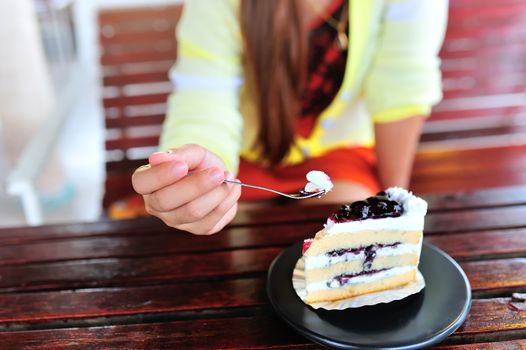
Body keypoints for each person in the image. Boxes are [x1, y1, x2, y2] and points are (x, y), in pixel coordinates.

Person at [132, 0, 448, 235]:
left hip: (339, 160)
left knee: (354, 234)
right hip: (240, 165)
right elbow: (204, 97)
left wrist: (394, 205)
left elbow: (402, 88)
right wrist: (199, 174)